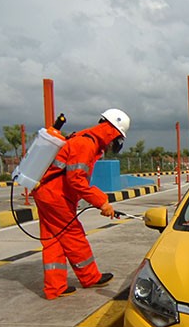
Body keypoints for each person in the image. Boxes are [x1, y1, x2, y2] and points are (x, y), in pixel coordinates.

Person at [32, 108, 130, 300]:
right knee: (73, 235)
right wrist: (101, 202)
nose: (113, 144)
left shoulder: (85, 139)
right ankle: (90, 277)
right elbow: (76, 180)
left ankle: (55, 287)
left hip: (46, 193)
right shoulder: (85, 144)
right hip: (55, 196)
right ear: (112, 131)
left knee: (53, 239)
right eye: (117, 139)